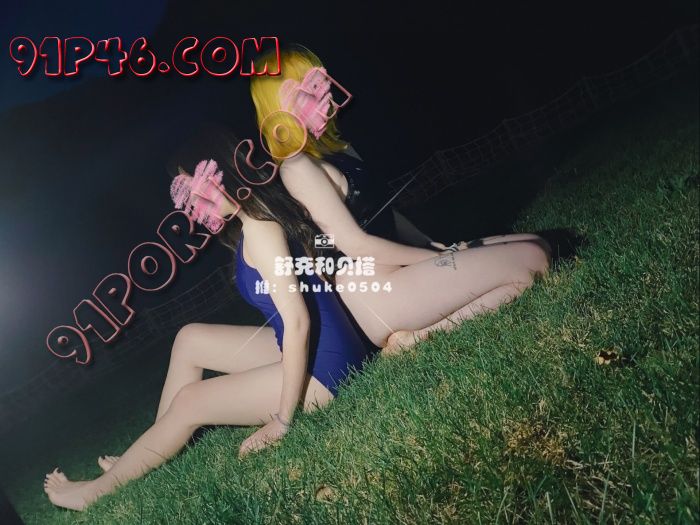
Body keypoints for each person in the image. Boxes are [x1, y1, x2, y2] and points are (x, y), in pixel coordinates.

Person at [42, 129, 377, 511]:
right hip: (323, 345)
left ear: (223, 173)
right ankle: (153, 444)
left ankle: (96, 492)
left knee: (191, 401)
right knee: (191, 338)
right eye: (189, 194)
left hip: (326, 371)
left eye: (198, 188)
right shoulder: (263, 214)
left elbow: (298, 321)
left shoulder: (261, 229)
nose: (195, 204)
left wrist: (283, 421)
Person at [249, 45, 552, 354]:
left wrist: (431, 245)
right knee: (533, 259)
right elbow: (355, 245)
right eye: (311, 87)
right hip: (375, 294)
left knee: (537, 244)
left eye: (321, 82)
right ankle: (417, 338)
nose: (325, 93)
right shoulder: (297, 167)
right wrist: (431, 258)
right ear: (282, 102)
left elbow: (386, 214)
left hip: (398, 271)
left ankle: (418, 326)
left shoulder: (338, 149)